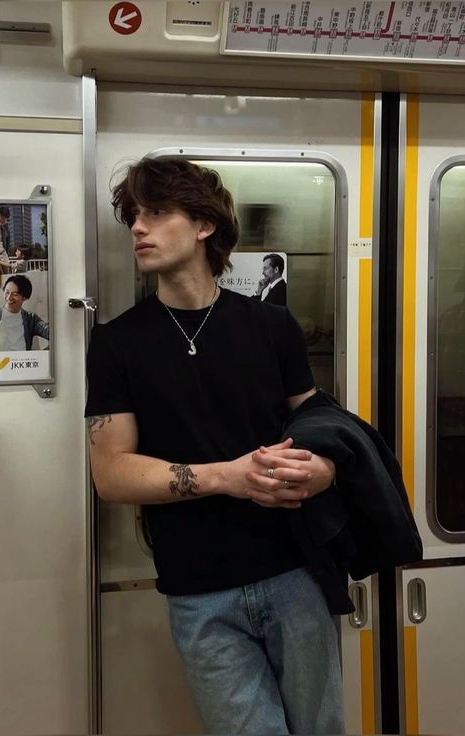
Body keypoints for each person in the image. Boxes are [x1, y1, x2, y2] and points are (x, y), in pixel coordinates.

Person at [85, 157, 344, 735]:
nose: (137, 228)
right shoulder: (116, 343)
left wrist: (322, 469)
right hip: (198, 589)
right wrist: (226, 477)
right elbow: (112, 474)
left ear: (204, 226)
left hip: (295, 571)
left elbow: (317, 423)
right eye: (133, 216)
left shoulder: (272, 326)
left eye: (156, 212)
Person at [0, 275, 49, 350]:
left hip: (21, 360)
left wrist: (42, 354)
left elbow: (53, 335)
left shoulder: (31, 318)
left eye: (15, 294)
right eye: (7, 292)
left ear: (24, 297)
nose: (9, 297)